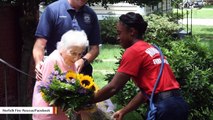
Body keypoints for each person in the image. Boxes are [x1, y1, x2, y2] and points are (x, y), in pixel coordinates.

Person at [91, 12, 189, 120]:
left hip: (164, 108)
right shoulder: (151, 48)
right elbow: (146, 93)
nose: (117, 38)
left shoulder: (134, 51)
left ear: (132, 32)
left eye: (119, 33)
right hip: (178, 104)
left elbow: (113, 87)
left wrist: (87, 100)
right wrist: (124, 111)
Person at [33, 0, 101, 80]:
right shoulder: (53, 10)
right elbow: (40, 44)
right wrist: (38, 62)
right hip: (55, 71)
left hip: (81, 73)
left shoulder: (91, 14)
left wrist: (83, 61)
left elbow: (95, 48)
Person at [32, 30, 89, 120]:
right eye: (73, 53)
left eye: (80, 54)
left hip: (61, 111)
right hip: (47, 112)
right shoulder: (53, 60)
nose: (76, 57)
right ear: (62, 47)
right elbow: (48, 92)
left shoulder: (71, 61)